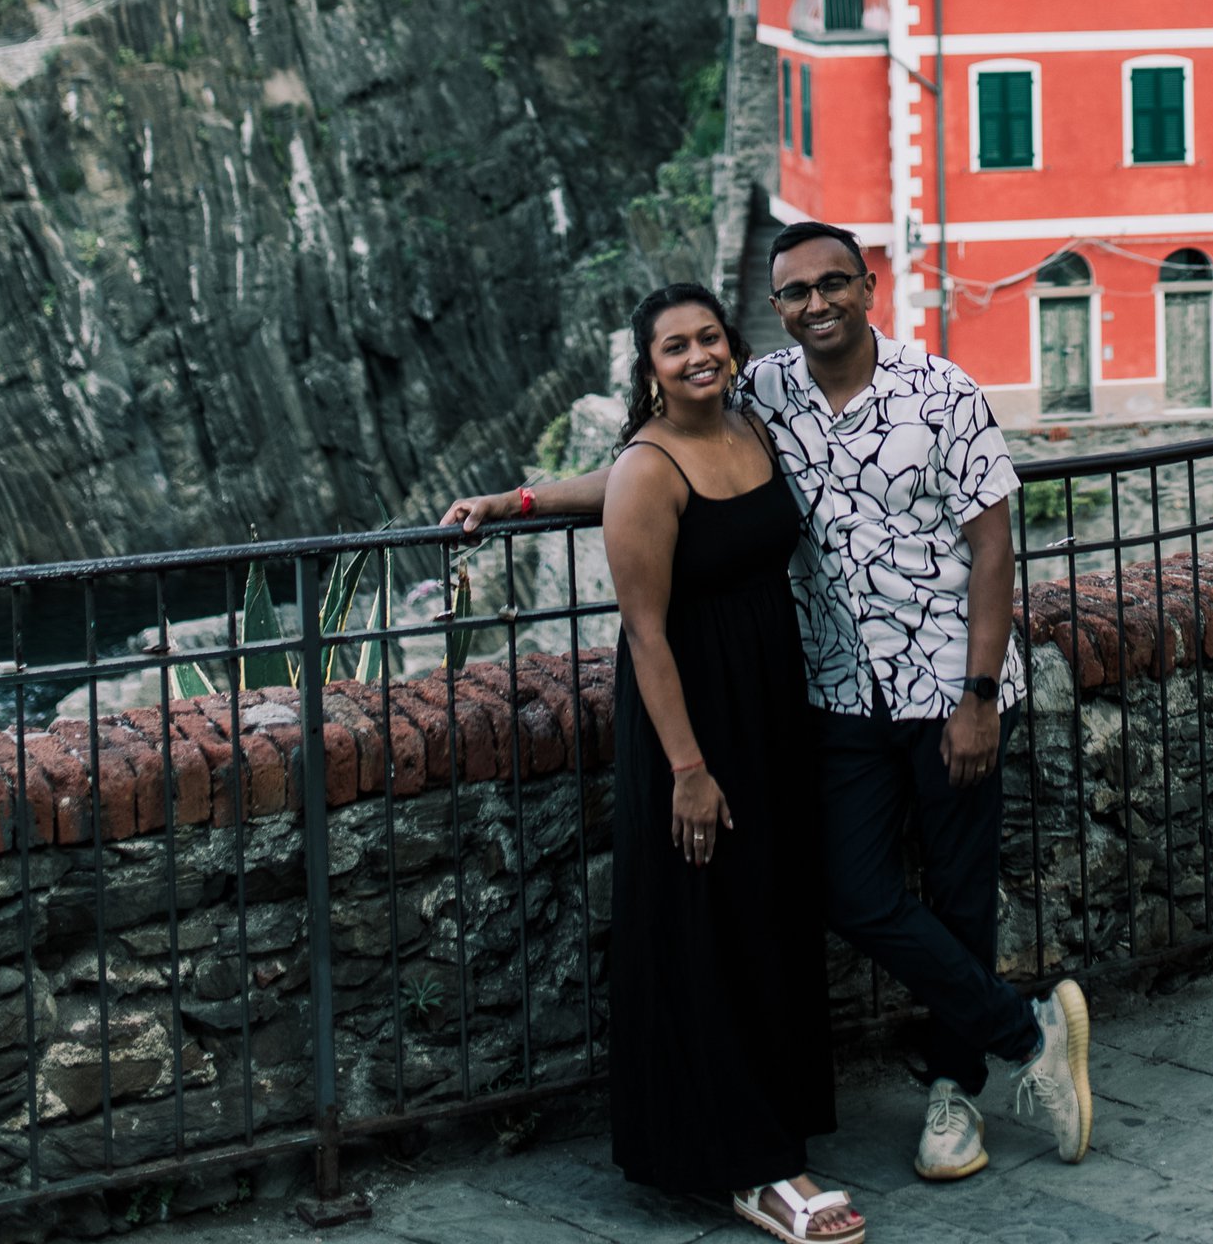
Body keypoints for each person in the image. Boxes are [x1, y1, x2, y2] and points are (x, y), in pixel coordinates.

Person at [443, 223, 1091, 1186]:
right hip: (832, 689)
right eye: (796, 292)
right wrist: (519, 503)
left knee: (958, 896)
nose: (817, 302)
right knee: (850, 894)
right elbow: (642, 471)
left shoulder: (943, 392)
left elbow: (993, 547)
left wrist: (981, 695)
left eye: (836, 283)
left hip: (948, 684)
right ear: (776, 309)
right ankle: (1027, 1032)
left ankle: (957, 1092)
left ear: (868, 288)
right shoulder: (762, 393)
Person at [442, 283, 863, 1244]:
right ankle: (757, 1170)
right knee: (715, 928)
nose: (698, 356)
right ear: (649, 369)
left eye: (709, 337)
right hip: (694, 721)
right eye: (675, 347)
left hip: (766, 704)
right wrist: (687, 770)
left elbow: (616, 488)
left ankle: (770, 1134)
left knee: (768, 916)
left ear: (731, 345)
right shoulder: (651, 462)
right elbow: (644, 631)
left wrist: (523, 497)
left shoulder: (746, 430)